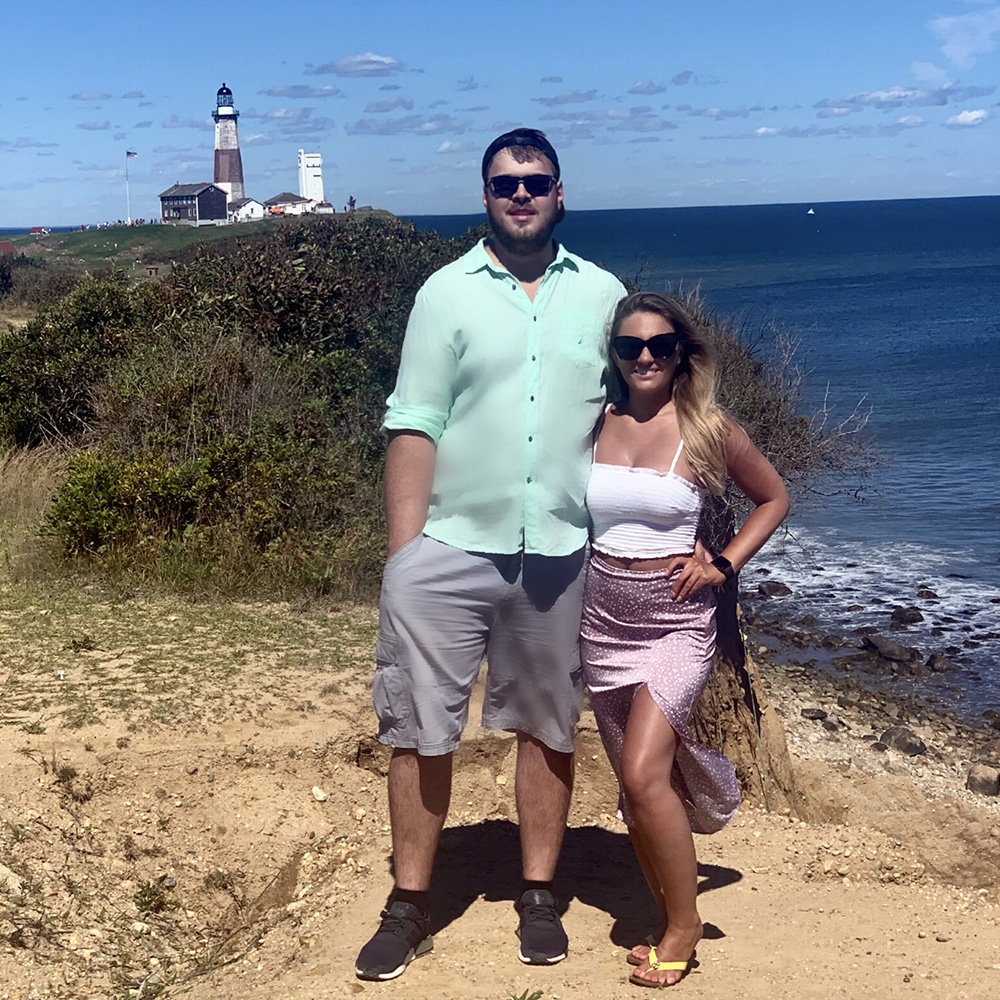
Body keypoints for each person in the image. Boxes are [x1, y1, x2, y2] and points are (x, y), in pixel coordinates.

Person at [355, 128, 626, 981]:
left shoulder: (604, 294)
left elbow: (636, 413)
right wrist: (404, 558)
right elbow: (414, 423)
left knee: (549, 730)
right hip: (448, 548)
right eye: (505, 182)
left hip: (559, 550)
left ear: (558, 193)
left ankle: (538, 893)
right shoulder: (444, 294)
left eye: (535, 181)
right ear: (485, 196)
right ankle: (410, 904)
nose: (520, 194)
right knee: (419, 729)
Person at [581, 291, 789, 988]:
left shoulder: (707, 428)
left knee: (643, 773)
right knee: (637, 785)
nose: (645, 357)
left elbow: (774, 498)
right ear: (614, 354)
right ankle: (667, 909)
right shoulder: (593, 424)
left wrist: (722, 561)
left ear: (681, 354)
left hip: (674, 619)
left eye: (660, 345)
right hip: (601, 615)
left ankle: (684, 925)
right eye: (630, 345)